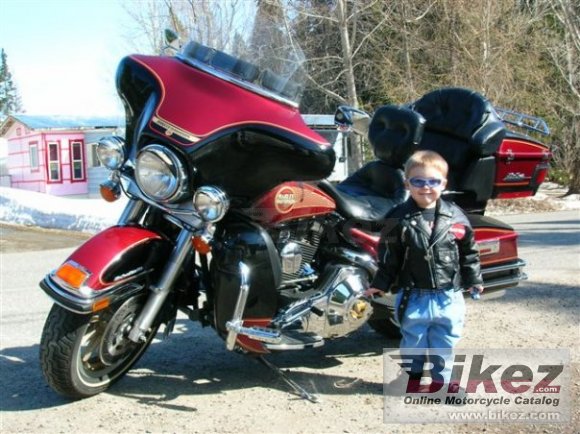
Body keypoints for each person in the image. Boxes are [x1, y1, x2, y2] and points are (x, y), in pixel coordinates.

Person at [367, 150, 484, 394]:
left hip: (448, 295)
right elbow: (388, 256)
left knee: (445, 344)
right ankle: (411, 381)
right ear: (407, 183)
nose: (426, 187)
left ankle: (443, 385)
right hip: (413, 296)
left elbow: (469, 253)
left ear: (444, 183)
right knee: (413, 343)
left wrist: (473, 279)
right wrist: (380, 282)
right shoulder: (396, 218)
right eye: (418, 181)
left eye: (433, 181)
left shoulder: (456, 217)